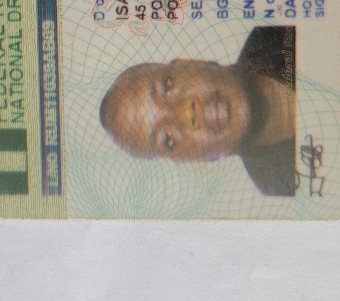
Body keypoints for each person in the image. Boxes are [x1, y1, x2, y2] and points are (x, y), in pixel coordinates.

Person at [99, 26, 298, 196]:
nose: (186, 113)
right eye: (167, 139)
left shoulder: (280, 30)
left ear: (188, 63)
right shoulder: (282, 188)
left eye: (167, 86)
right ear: (191, 160)